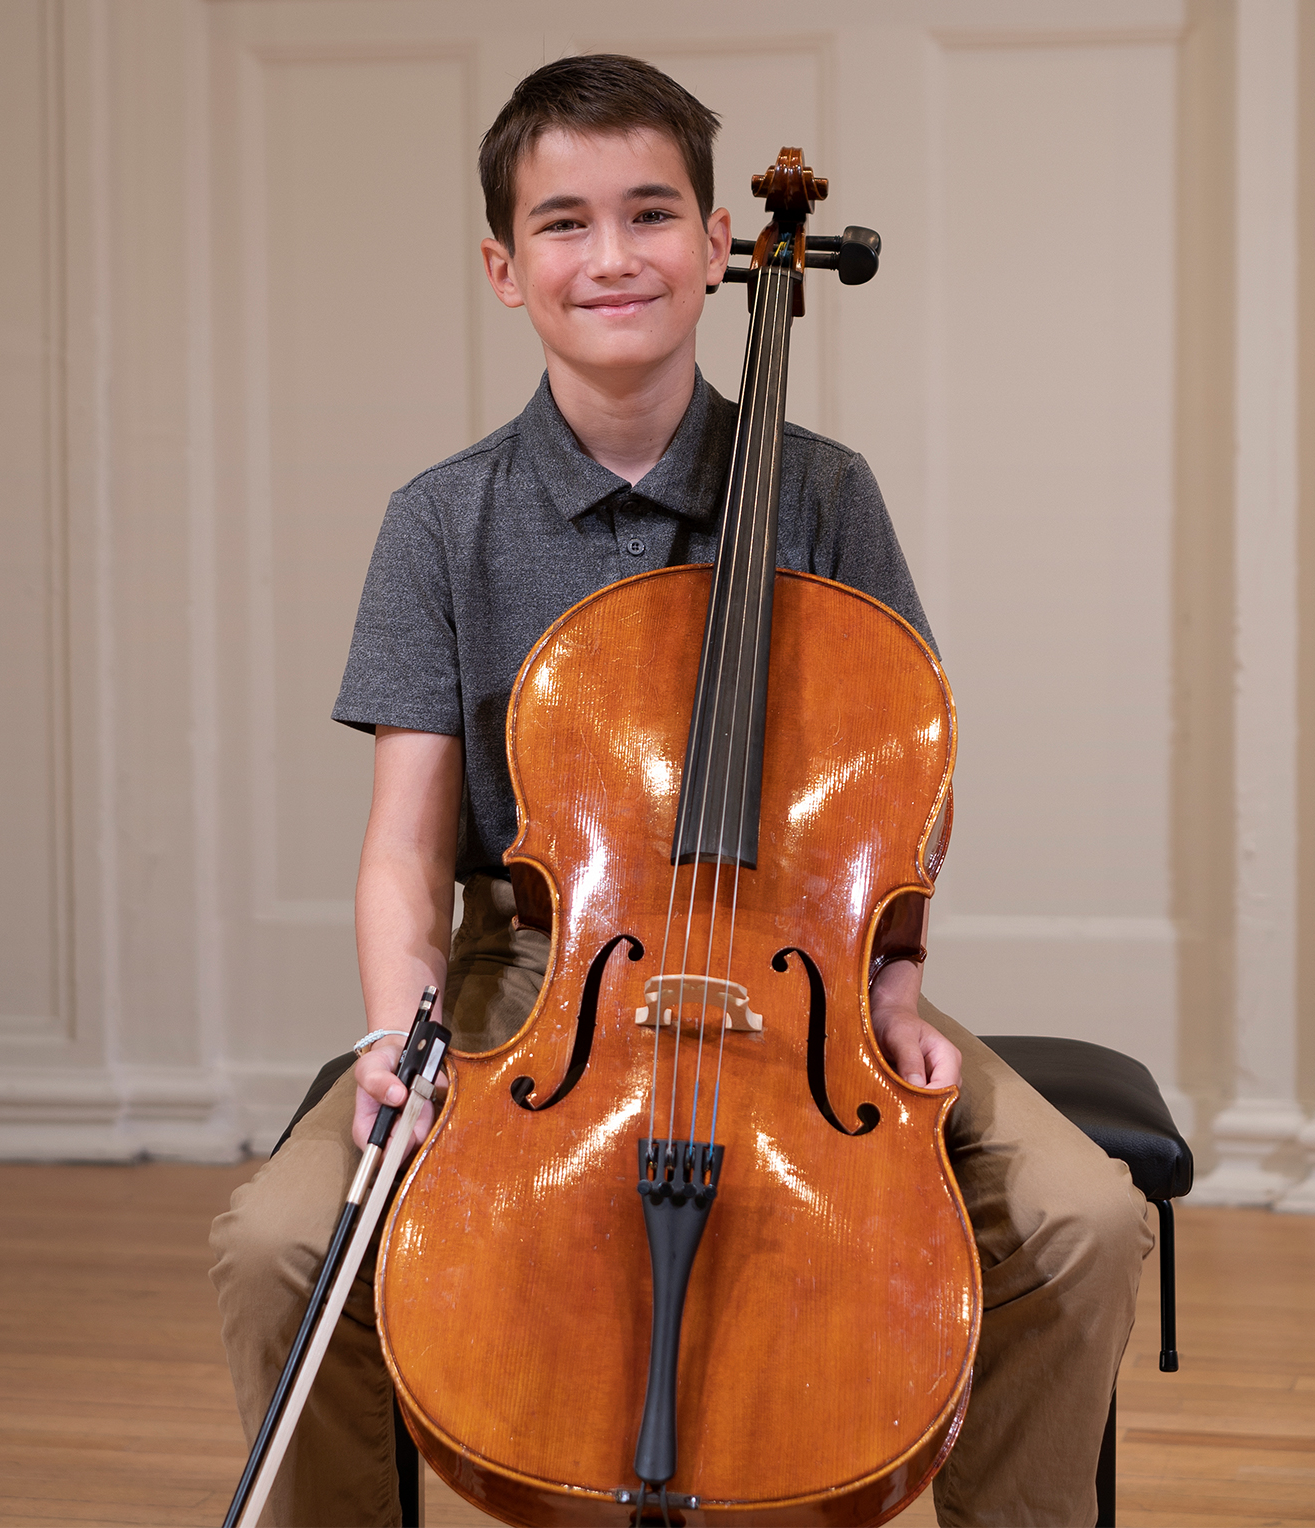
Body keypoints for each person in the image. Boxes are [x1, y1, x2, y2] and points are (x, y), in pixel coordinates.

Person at [209, 53, 1151, 1527]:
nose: (612, 256)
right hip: (537, 981)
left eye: (651, 215)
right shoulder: (442, 522)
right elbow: (402, 845)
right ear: (505, 267)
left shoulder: (825, 494)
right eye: (565, 223)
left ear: (721, 249)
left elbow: (900, 798)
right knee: (278, 1244)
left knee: (1083, 1218)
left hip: (804, 968)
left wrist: (894, 989)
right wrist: (398, 1032)